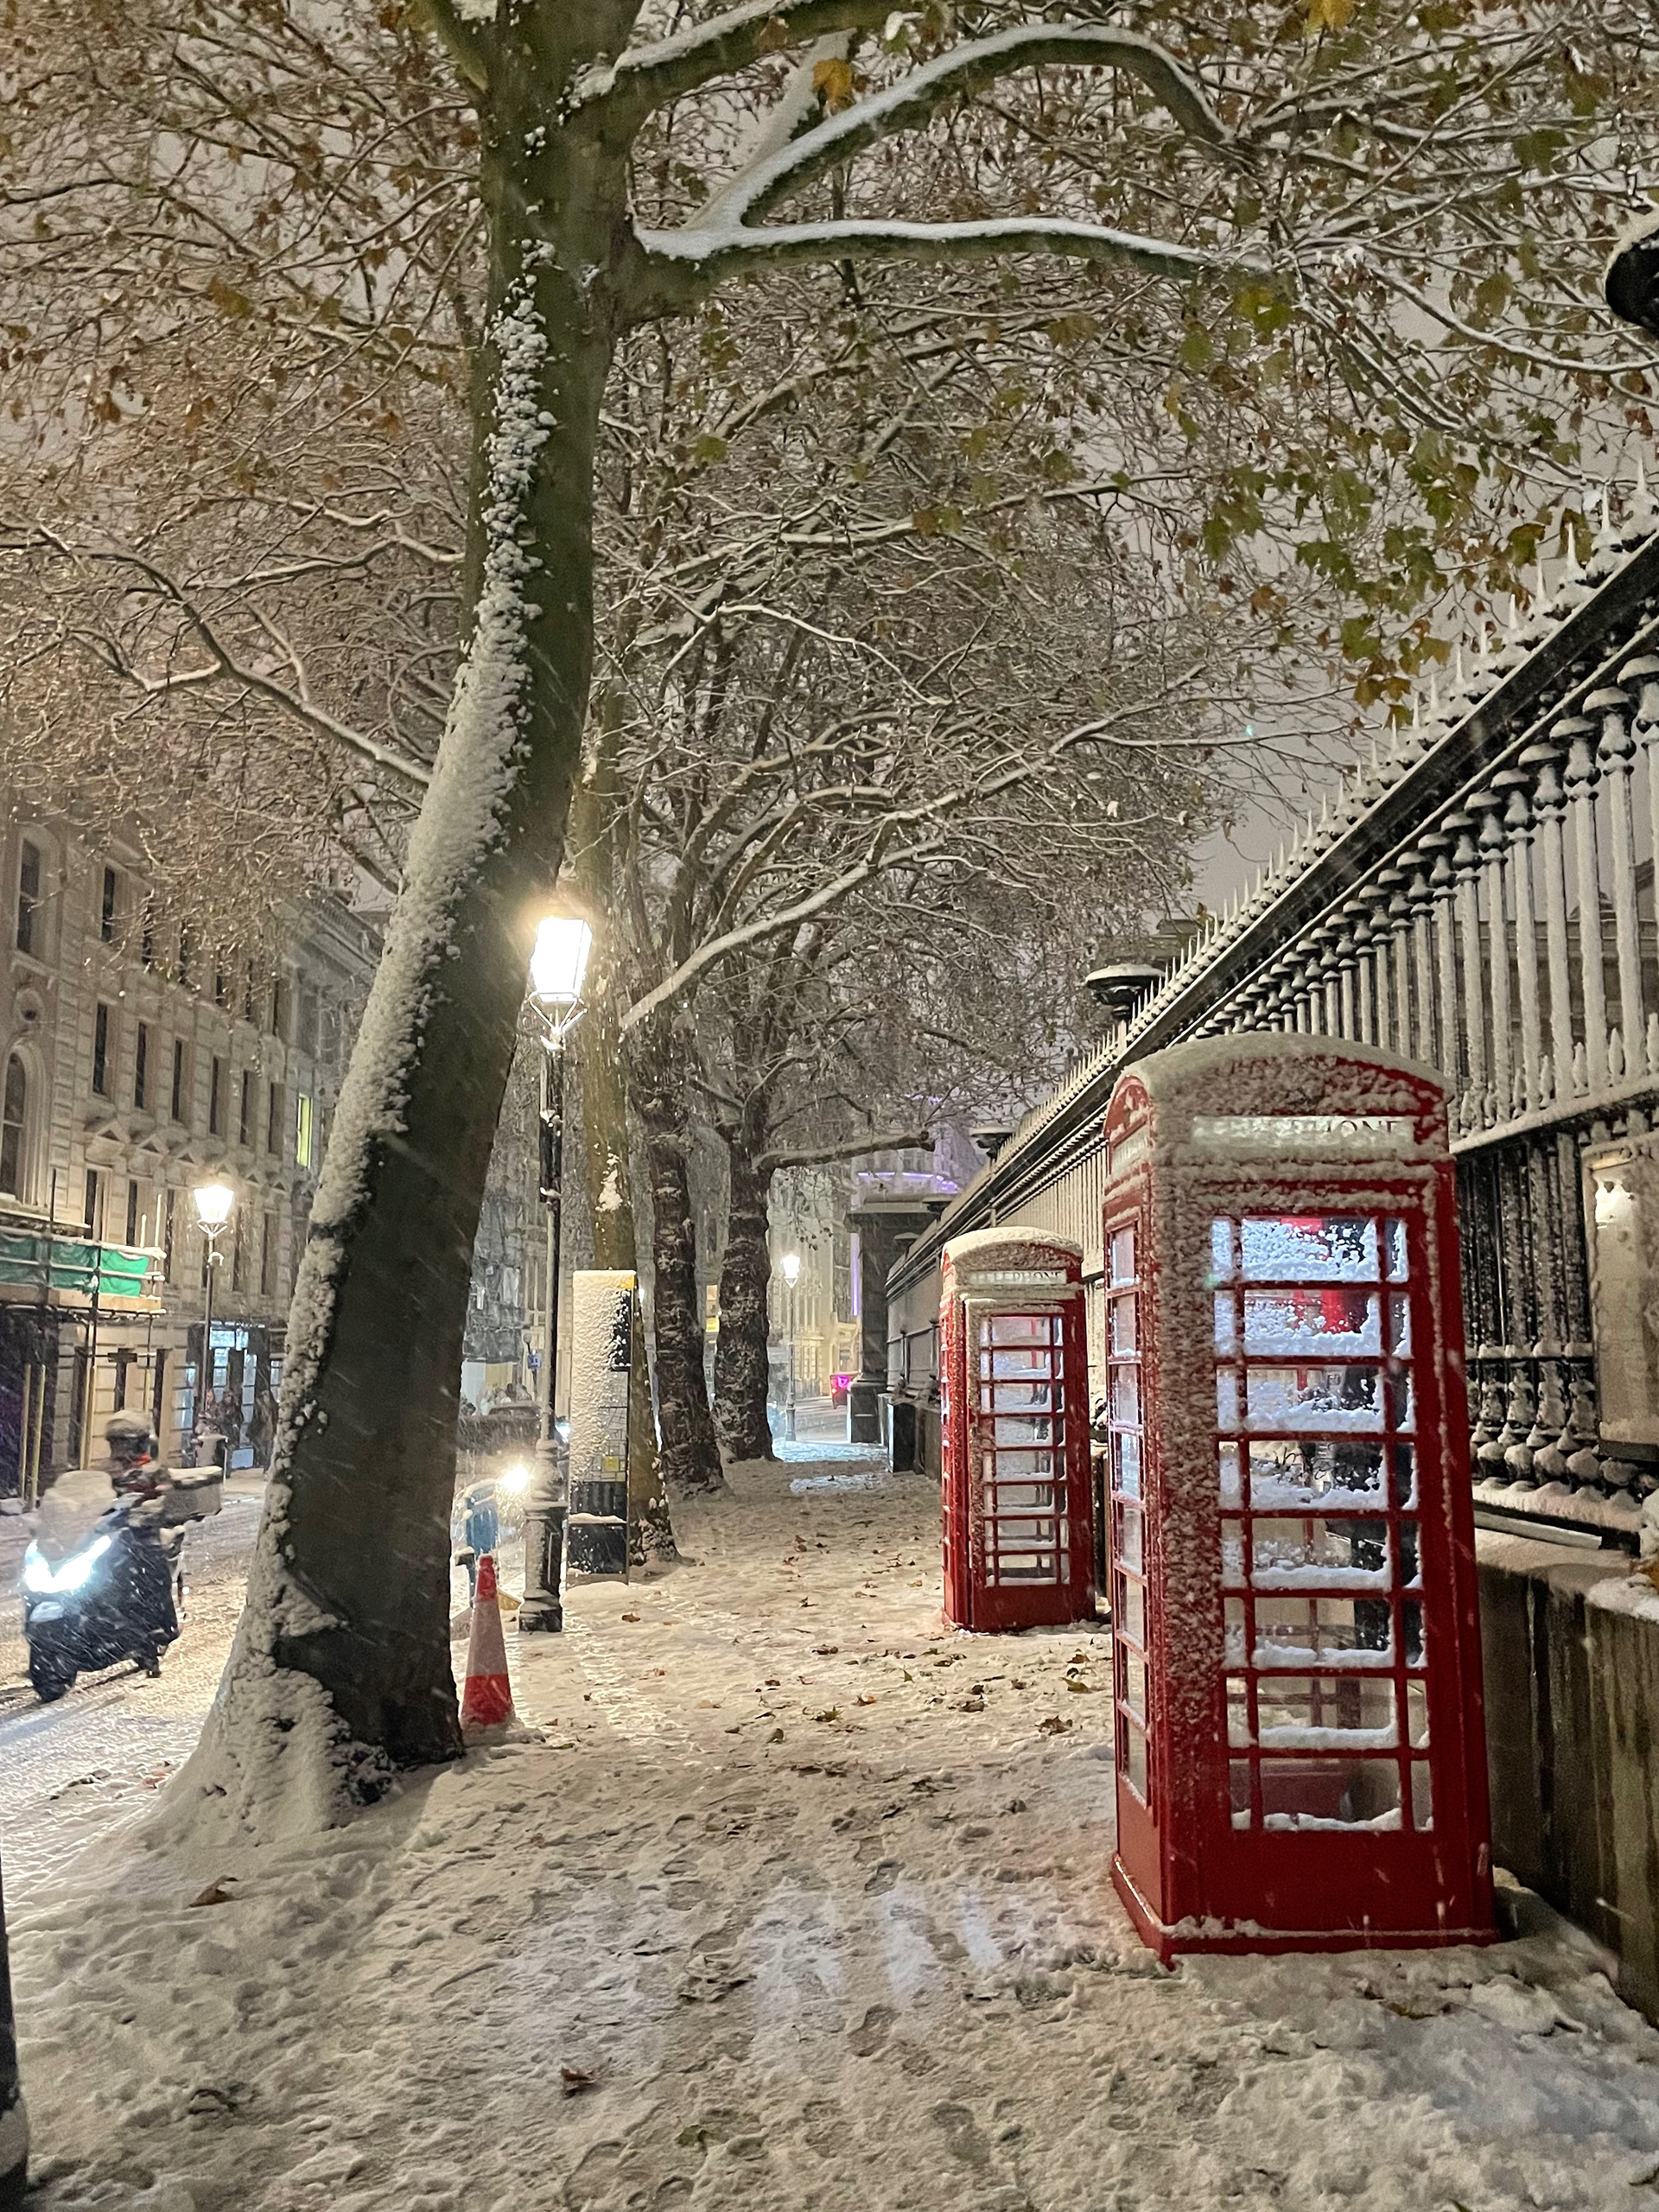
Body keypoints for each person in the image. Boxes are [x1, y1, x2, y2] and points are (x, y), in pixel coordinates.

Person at [99, 1411, 180, 1675]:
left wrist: (147, 1511)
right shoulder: (104, 1471)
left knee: (149, 1572)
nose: (121, 1450)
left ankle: (155, 1633)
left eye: (126, 1443)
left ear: (139, 1442)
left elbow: (167, 1500)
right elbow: (85, 1497)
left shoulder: (154, 1471)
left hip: (142, 1538)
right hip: (106, 1538)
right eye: (117, 1443)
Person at [459, 1485, 499, 1599]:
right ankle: (477, 1595)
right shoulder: (483, 1512)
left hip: (481, 1551)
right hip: (482, 1551)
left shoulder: (476, 1514)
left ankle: (476, 1595)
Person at [248, 1383, 277, 1471]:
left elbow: (275, 1418)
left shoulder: (273, 1407)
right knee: (263, 1450)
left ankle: (267, 1467)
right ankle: (263, 1464)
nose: (265, 1398)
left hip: (271, 1431)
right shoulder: (260, 1407)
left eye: (267, 1396)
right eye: (263, 1396)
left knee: (269, 1451)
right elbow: (259, 1419)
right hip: (263, 1432)